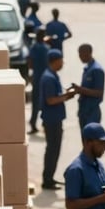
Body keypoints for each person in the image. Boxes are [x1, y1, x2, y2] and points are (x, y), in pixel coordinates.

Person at [40, 49, 76, 190]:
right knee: (52, 150)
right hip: (52, 119)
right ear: (54, 62)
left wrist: (66, 93)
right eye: (61, 62)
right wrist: (67, 96)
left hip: (54, 118)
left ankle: (50, 177)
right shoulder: (49, 78)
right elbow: (51, 100)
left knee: (54, 150)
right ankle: (47, 179)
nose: (62, 64)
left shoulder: (52, 75)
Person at [73, 43, 105, 133]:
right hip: (83, 110)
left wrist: (80, 89)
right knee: (84, 141)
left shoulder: (97, 70)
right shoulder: (87, 68)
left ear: (89, 53)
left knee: (91, 141)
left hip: (92, 111)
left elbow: (99, 92)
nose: (80, 57)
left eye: (81, 54)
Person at [27, 27, 49, 135]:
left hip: (37, 78)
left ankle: (33, 124)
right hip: (45, 79)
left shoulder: (34, 47)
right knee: (45, 102)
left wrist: (30, 74)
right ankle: (45, 124)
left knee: (35, 103)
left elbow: (30, 62)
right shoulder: (46, 48)